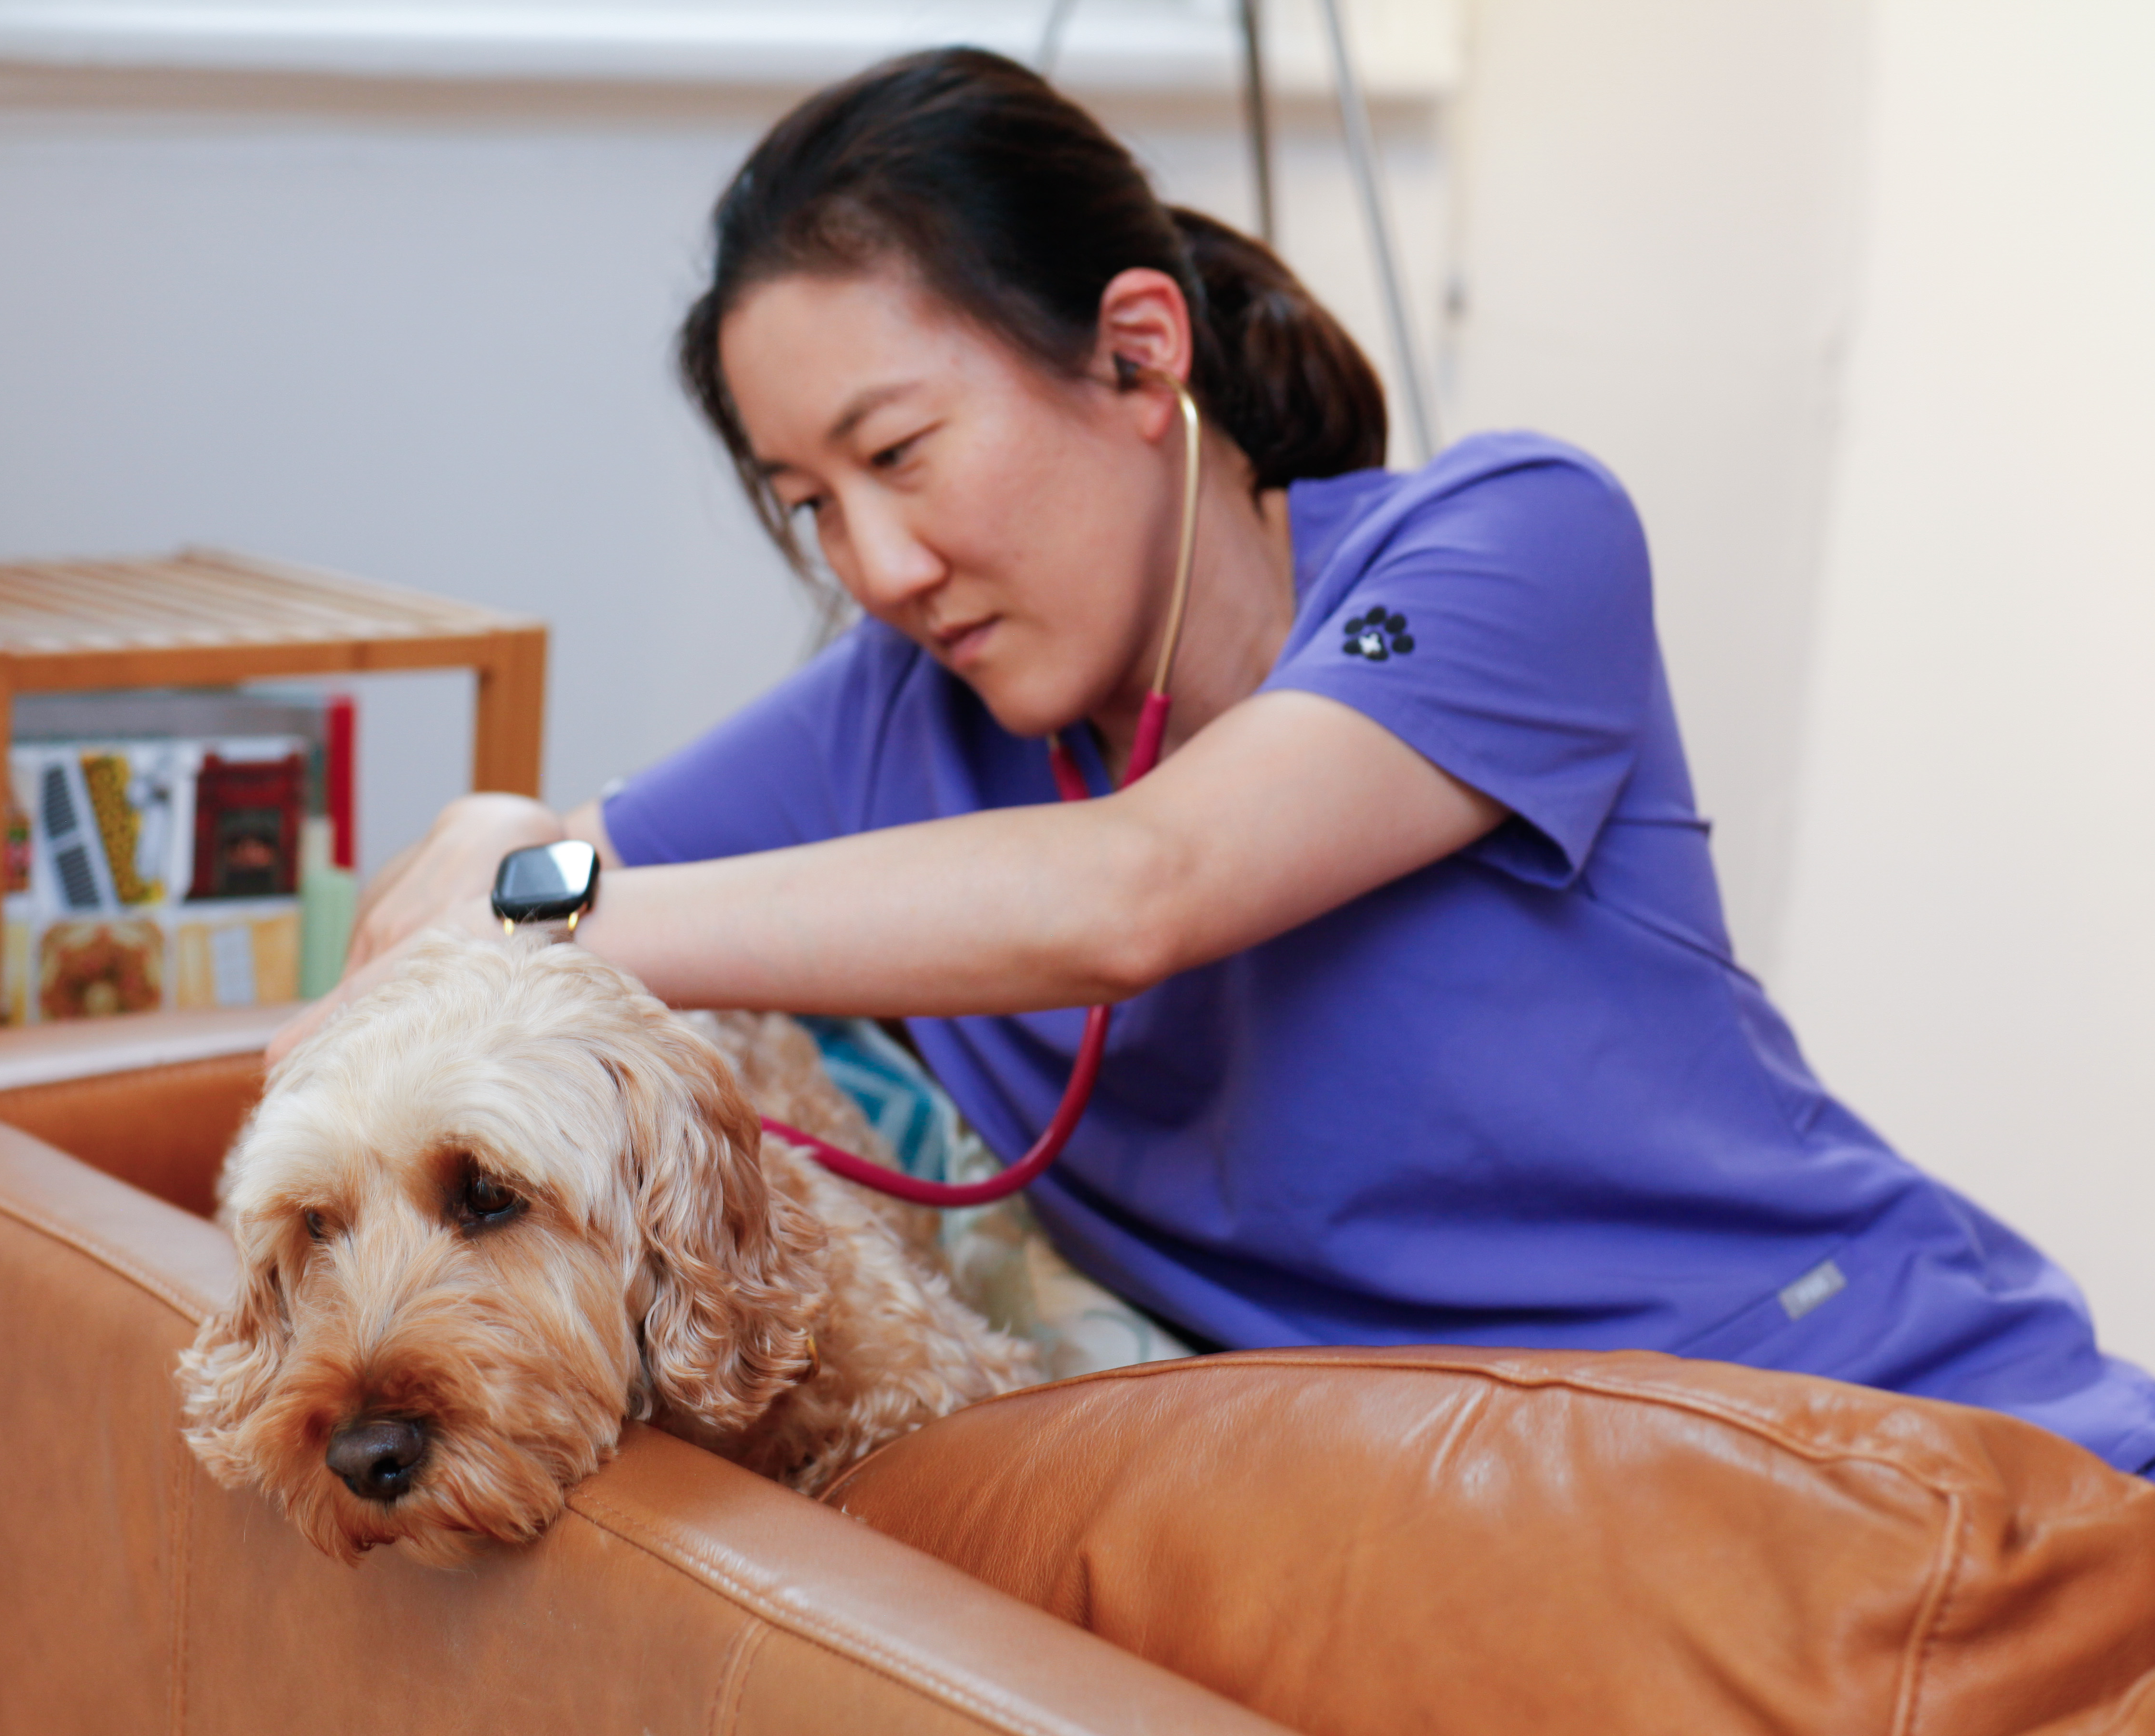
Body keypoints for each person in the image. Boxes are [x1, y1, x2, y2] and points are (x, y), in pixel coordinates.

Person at [286, 47, 2155, 1471]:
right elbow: (521, 892)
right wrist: (496, 828)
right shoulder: (892, 712)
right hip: (1530, 1519)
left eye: (904, 452)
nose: (881, 567)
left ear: (1136, 349)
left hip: (1917, 1419)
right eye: (808, 506)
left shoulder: (1511, 541)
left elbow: (1136, 891)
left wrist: (554, 887)